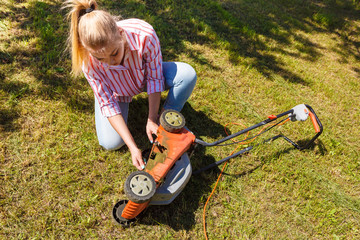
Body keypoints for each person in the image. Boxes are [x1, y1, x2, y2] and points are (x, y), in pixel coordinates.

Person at [65, 0, 197, 170]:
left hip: (143, 78)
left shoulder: (145, 35)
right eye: (100, 59)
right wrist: (133, 147)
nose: (110, 63)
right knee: (110, 143)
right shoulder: (87, 61)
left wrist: (152, 118)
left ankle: (165, 121)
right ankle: (131, 113)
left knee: (187, 75)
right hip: (116, 92)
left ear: (121, 33)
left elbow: (154, 78)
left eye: (114, 53)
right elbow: (108, 104)